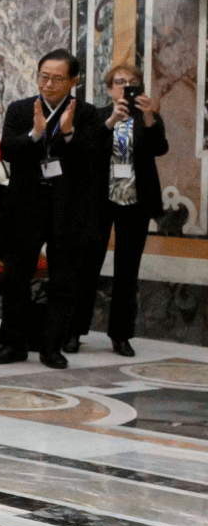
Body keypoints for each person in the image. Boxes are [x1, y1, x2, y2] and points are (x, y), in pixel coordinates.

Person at [0, 48, 109, 368]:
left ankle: (52, 346)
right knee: (15, 277)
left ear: (74, 81)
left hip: (68, 207)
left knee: (64, 279)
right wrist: (35, 134)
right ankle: (12, 342)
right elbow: (7, 150)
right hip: (25, 204)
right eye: (44, 76)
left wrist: (68, 133)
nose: (49, 84)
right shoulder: (20, 109)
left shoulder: (86, 115)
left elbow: (92, 159)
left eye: (57, 78)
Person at [91, 64, 166, 357]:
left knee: (128, 270)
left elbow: (160, 148)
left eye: (131, 82)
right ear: (109, 89)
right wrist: (111, 121)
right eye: (118, 82)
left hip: (136, 200)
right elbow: (89, 148)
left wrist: (149, 117)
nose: (124, 86)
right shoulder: (98, 116)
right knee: (89, 264)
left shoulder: (148, 117)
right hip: (101, 199)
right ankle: (74, 331)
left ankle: (121, 335)